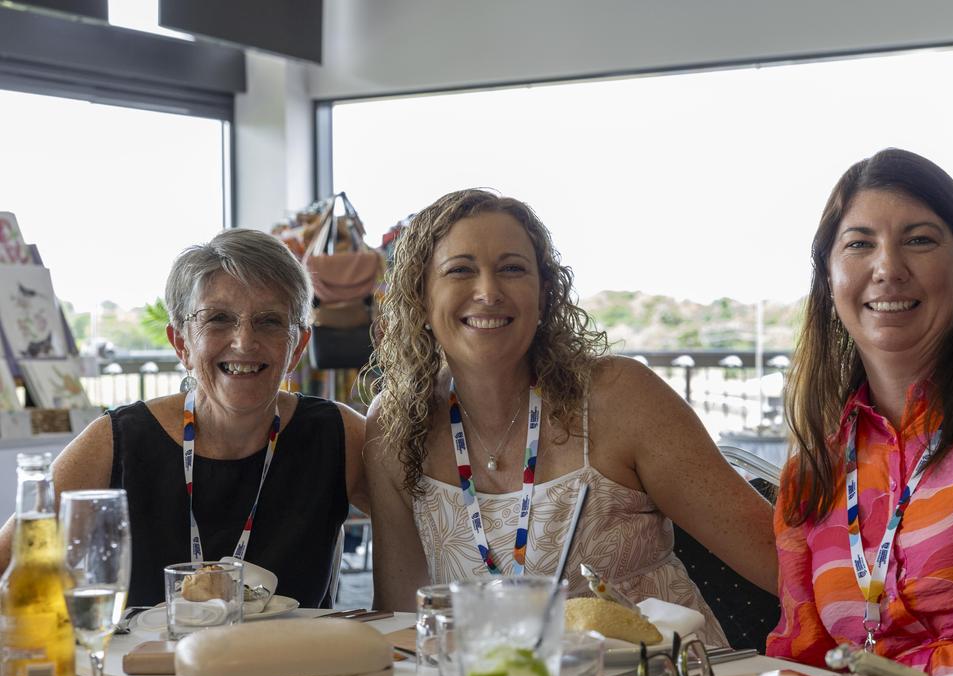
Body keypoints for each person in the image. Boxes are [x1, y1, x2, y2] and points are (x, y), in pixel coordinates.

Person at [364, 189, 777, 645]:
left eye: (512, 269)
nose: (487, 291)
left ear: (543, 295)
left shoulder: (619, 397)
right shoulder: (395, 422)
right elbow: (403, 619)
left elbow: (781, 564)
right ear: (421, 298)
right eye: (460, 270)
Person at [767, 148, 953, 676]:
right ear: (829, 275)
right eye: (859, 244)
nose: (888, 267)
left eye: (919, 239)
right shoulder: (812, 470)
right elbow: (801, 662)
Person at [0, 229, 367, 608]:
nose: (244, 341)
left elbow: (428, 527)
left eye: (270, 321)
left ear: (297, 347)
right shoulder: (119, 440)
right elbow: (9, 562)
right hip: (146, 668)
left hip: (297, 667)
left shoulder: (337, 434)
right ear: (182, 343)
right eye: (219, 318)